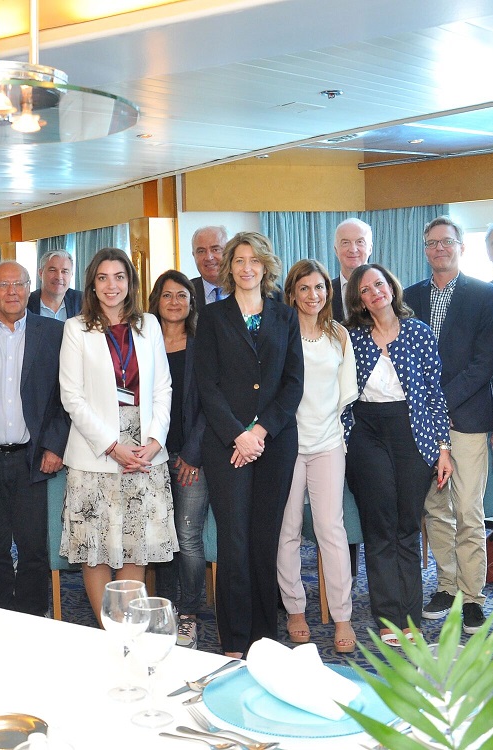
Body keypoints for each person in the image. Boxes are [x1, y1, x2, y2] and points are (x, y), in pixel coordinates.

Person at [195, 231, 303, 657]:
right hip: (227, 445)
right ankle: (236, 639)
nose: (246, 267)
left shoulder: (285, 317)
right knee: (234, 541)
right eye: (239, 260)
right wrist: (238, 434)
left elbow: (293, 383)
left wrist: (259, 432)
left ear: (265, 266)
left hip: (274, 443)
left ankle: (264, 637)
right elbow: (207, 385)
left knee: (265, 539)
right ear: (230, 267)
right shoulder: (213, 317)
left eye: (254, 260)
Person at [58, 247, 177, 623]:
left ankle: (129, 631)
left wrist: (155, 441)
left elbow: (163, 388)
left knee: (134, 545)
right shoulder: (76, 328)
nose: (112, 285)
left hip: (144, 451)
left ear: (130, 282)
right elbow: (72, 396)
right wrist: (112, 446)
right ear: (92, 285)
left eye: (119, 277)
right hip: (97, 451)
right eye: (103, 278)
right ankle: (109, 630)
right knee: (95, 548)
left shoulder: (150, 325)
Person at [341, 263, 452, 645]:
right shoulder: (351, 338)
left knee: (407, 525)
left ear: (391, 286)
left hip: (412, 431)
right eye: (365, 290)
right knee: (379, 526)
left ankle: (410, 618)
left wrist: (443, 448)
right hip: (366, 432)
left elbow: (435, 393)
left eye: (379, 284)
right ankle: (389, 617)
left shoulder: (419, 332)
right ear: (359, 301)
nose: (375, 292)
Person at [404, 217, 493, 633]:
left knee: (467, 509)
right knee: (435, 508)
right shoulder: (409, 295)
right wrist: (426, 408)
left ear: (461, 246)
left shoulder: (484, 295)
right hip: (422, 425)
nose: (439, 249)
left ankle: (473, 595)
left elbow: (485, 363)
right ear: (424, 249)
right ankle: (446, 586)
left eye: (446, 241)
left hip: (466, 420)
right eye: (431, 243)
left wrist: (439, 403)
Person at [0, 261, 69, 615]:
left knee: (34, 548)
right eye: (3, 285)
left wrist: (55, 445)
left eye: (18, 284)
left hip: (33, 458)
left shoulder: (55, 333)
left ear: (29, 287)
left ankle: (33, 617)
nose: (11, 292)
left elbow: (66, 396)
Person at [277, 259, 358, 652]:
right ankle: (295, 609)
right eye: (305, 288)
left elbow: (346, 390)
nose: (314, 295)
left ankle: (343, 617)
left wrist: (333, 431)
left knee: (331, 529)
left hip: (328, 443)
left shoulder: (338, 334)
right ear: (293, 293)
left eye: (320, 287)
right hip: (286, 444)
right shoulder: (280, 331)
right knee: (288, 529)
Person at [147, 270, 209, 648]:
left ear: (191, 302)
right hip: (151, 457)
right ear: (156, 301)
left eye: (181, 295)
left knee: (187, 536)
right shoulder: (143, 343)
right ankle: (165, 608)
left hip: (192, 457)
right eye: (167, 295)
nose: (174, 302)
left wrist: (192, 455)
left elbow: (210, 406)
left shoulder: (203, 345)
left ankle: (188, 613)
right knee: (159, 536)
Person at [331, 219, 374, 321]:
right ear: (336, 250)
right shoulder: (324, 293)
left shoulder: (387, 291)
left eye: (360, 242)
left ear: (370, 248)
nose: (353, 249)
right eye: (345, 243)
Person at [28, 250, 81, 320]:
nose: (59, 277)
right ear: (40, 273)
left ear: (71, 275)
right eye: (52, 270)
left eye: (64, 271)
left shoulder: (83, 302)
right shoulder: (26, 304)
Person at [189, 226, 228, 309]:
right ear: (194, 255)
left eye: (215, 250)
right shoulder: (186, 292)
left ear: (228, 252)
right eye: (201, 251)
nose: (208, 257)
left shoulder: (245, 289)